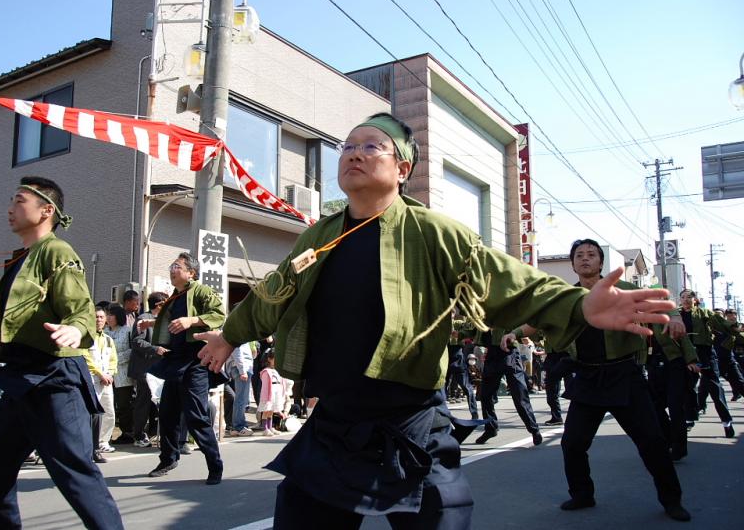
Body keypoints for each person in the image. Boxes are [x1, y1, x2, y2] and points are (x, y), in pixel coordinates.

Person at [196, 113, 678, 529]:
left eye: (371, 146)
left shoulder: (432, 231)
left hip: (412, 423)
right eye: (347, 146)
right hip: (334, 423)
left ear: (402, 168)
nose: (354, 154)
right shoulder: (318, 236)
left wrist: (578, 307)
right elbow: (270, 296)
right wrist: (229, 334)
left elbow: (507, 280)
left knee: (441, 517)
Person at [0, 176, 122, 529]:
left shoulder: (56, 251)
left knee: (76, 476)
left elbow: (80, 307)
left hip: (55, 379)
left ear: (46, 211)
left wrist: (77, 327)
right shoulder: (22, 258)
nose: (10, 208)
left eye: (20, 201)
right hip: (21, 380)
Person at [512, 239, 691, 521]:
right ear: (572, 263)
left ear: (600, 262)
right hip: (587, 377)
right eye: (579, 255)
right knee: (572, 443)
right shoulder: (564, 296)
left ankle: (672, 500)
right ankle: (582, 494)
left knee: (652, 442)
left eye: (591, 254)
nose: (585, 259)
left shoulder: (621, 289)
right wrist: (514, 333)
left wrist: (674, 317)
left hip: (624, 375)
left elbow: (659, 301)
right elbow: (539, 320)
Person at [138, 252, 225, 485]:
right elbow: (173, 324)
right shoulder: (174, 297)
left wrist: (192, 320)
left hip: (195, 361)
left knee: (196, 416)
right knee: (167, 414)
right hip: (175, 360)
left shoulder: (202, 291)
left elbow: (219, 314)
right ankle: (168, 458)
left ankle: (215, 464)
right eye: (171, 266)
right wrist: (152, 322)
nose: (172, 269)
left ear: (191, 273)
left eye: (177, 266)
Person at [678, 289, 735, 438]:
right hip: (688, 356)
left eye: (689, 297)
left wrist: (733, 328)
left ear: (695, 300)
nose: (685, 300)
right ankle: (689, 418)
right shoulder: (676, 315)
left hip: (706, 354)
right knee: (687, 389)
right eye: (683, 297)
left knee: (715, 389)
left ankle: (726, 422)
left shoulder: (704, 313)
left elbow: (721, 323)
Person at [475, 328, 542, 446]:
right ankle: (490, 428)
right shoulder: (483, 312)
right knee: (485, 395)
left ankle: (534, 429)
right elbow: (474, 329)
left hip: (509, 351)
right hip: (492, 352)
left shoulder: (509, 310)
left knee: (520, 395)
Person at [646, 323, 699, 461]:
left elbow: (683, 338)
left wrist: (692, 360)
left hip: (674, 364)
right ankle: (669, 438)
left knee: (675, 407)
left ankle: (679, 448)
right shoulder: (637, 320)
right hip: (652, 365)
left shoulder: (666, 316)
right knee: (653, 407)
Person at [130, 291, 168, 447]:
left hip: (158, 368)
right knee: (143, 401)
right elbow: (136, 342)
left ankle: (152, 432)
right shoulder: (143, 319)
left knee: (155, 402)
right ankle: (138, 435)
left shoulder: (163, 319)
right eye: (166, 303)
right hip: (145, 368)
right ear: (159, 305)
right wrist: (155, 349)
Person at [85, 306, 117, 458]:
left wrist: (110, 374)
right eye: (96, 317)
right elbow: (85, 358)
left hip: (106, 381)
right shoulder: (86, 337)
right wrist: (100, 374)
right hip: (92, 378)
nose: (98, 320)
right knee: (93, 413)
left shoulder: (108, 339)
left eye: (101, 317)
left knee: (108, 410)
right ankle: (91, 444)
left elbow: (113, 359)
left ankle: (103, 441)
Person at [106, 303, 134, 445]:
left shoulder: (127, 331)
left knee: (123, 404)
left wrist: (115, 359)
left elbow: (131, 351)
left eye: (111, 315)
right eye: (108, 315)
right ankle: (106, 434)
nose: (108, 318)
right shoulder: (104, 332)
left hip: (123, 374)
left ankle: (127, 432)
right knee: (108, 405)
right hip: (106, 374)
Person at [228, 341, 256, 436]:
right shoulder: (239, 333)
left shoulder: (243, 335)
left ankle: (238, 426)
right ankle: (238, 426)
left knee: (242, 399)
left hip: (243, 368)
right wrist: (242, 371)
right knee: (241, 399)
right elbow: (237, 351)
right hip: (242, 368)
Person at [258, 349, 286, 436]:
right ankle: (265, 428)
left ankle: (270, 427)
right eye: (274, 359)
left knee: (271, 411)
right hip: (269, 393)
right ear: (269, 359)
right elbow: (266, 385)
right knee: (266, 410)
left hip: (276, 391)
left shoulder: (277, 371)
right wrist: (266, 396)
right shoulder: (266, 371)